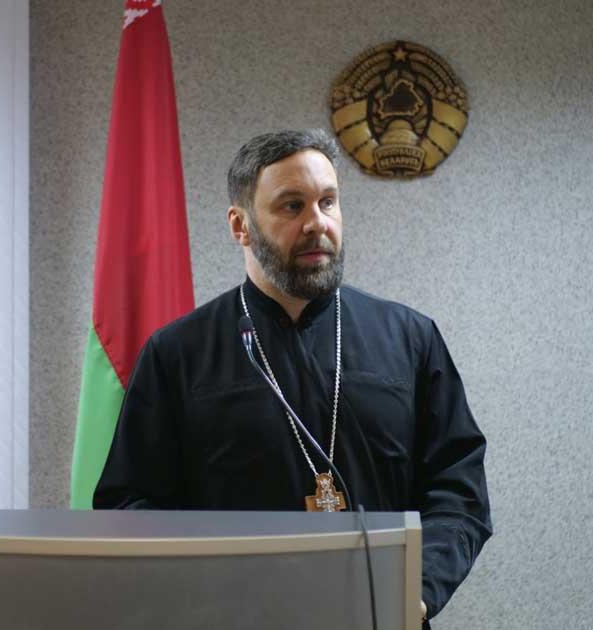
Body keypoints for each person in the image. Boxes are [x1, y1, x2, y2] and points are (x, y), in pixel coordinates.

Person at [94, 129, 492, 626]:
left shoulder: (410, 338)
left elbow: (458, 491)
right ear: (240, 225)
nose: (317, 223)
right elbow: (129, 505)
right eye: (292, 206)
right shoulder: (177, 354)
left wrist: (417, 591)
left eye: (328, 202)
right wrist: (211, 597)